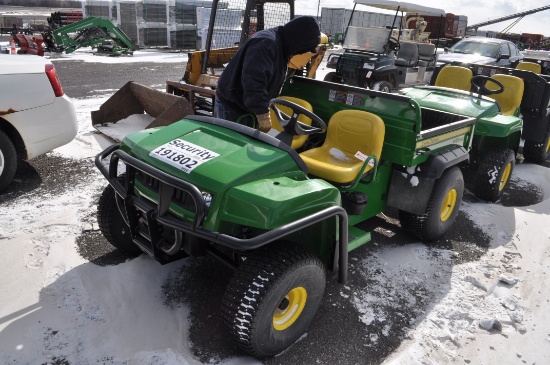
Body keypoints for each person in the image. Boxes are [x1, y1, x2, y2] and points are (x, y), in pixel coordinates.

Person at [215, 16, 321, 133]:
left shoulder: (281, 46)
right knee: (232, 144)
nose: (304, 52)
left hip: (245, 105)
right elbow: (254, 82)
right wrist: (262, 114)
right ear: (298, 40)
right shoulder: (266, 44)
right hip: (233, 106)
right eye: (305, 48)